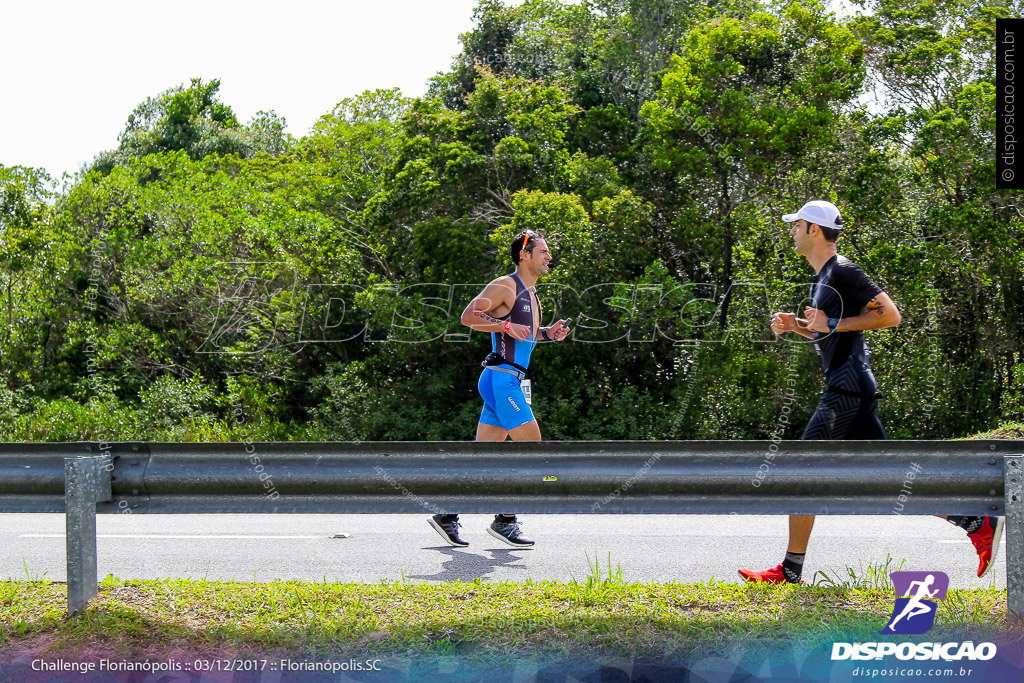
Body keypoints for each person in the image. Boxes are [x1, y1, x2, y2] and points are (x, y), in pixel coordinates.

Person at [738, 200, 1004, 584]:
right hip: (852, 388)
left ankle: (790, 570)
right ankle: (975, 521)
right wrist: (795, 325)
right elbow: (828, 330)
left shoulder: (843, 270)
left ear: (814, 229)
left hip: (846, 389)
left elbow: (889, 315)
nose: (791, 231)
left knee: (801, 470)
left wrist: (831, 320)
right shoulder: (822, 278)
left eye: (796, 225)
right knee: (889, 482)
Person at [428, 229, 570, 548]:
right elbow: (468, 317)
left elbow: (525, 337)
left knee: (484, 457)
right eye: (543, 252)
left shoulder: (531, 295)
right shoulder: (505, 285)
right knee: (531, 450)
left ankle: (447, 514)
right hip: (502, 380)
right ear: (525, 255)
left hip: (504, 380)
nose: (549, 257)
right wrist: (505, 325)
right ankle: (505, 520)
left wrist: (548, 334)